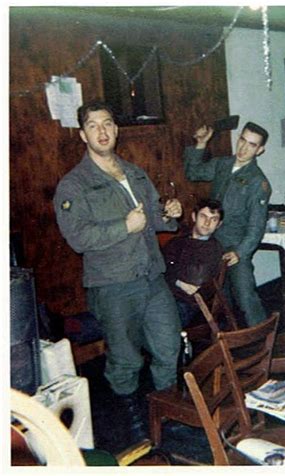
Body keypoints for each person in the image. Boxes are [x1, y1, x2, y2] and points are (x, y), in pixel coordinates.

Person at [53, 100, 182, 445]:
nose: (102, 131)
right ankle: (135, 429)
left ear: (116, 128)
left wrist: (170, 213)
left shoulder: (134, 173)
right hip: (113, 286)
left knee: (169, 348)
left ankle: (167, 414)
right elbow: (79, 238)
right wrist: (124, 226)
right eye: (93, 126)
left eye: (107, 123)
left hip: (151, 277)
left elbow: (155, 219)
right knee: (125, 362)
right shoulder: (74, 185)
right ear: (83, 135)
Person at [184, 122, 271, 327]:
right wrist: (201, 144)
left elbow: (256, 226)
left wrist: (240, 252)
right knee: (219, 298)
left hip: (234, 246)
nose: (243, 148)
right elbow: (193, 173)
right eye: (242, 140)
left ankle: (264, 342)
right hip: (211, 242)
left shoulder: (258, 182)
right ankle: (230, 342)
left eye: (251, 145)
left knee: (245, 296)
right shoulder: (222, 164)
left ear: (260, 150)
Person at [164, 198, 224, 327]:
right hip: (166, 296)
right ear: (194, 217)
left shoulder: (213, 248)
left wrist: (171, 275)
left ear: (219, 224)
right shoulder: (179, 240)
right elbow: (160, 266)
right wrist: (178, 281)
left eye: (213, 219)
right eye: (203, 216)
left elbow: (193, 281)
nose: (207, 223)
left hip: (188, 305)